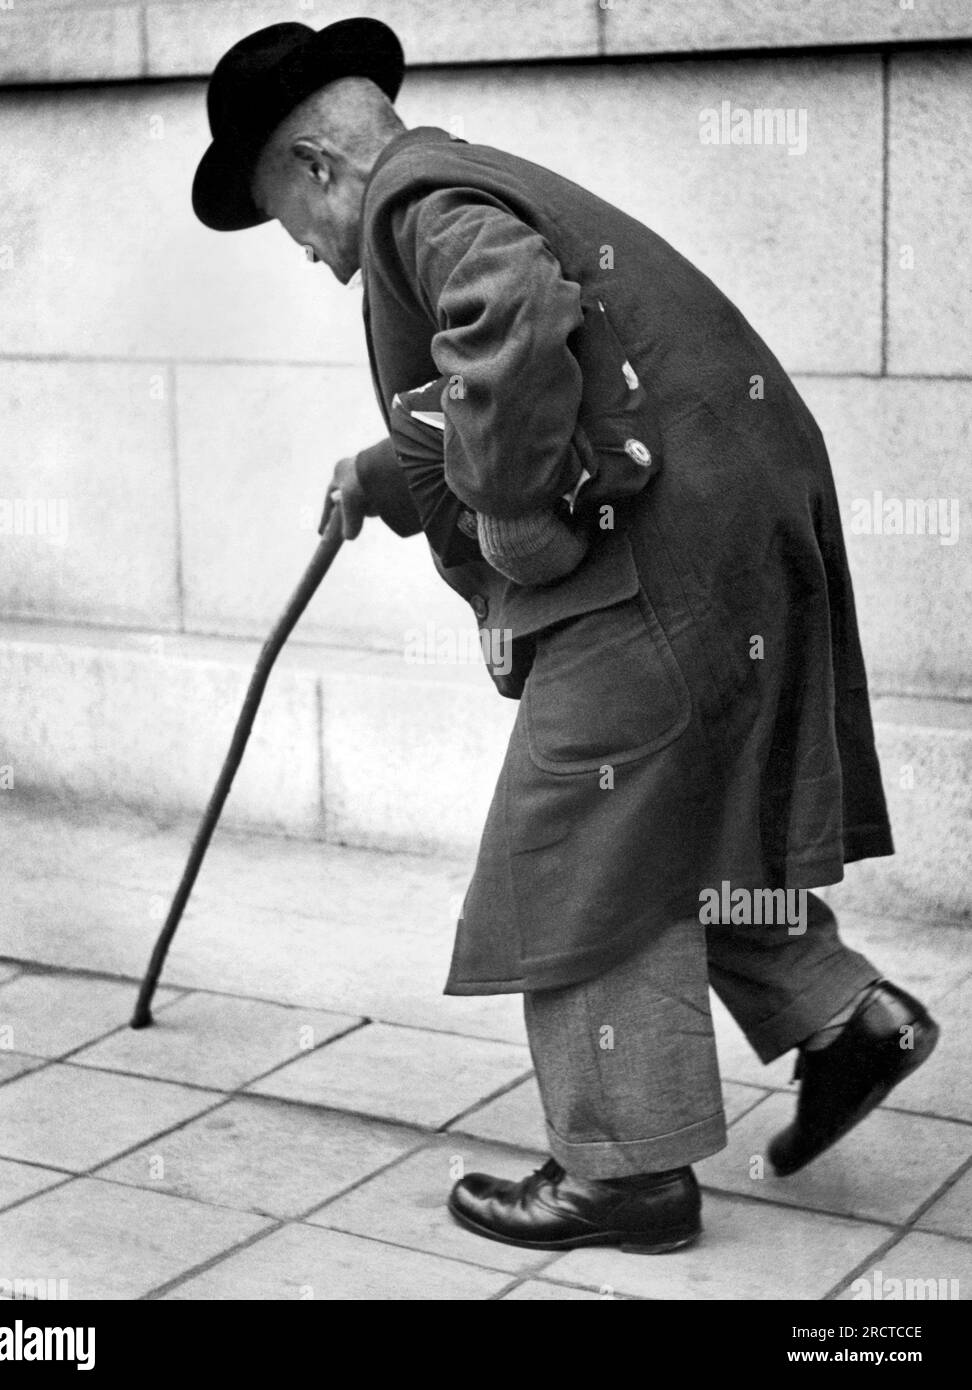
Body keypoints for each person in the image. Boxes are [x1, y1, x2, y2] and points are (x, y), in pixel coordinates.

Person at [191, 19, 939, 1253]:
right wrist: (387, 472)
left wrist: (512, 514)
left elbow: (508, 316)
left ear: (320, 169)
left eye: (293, 226)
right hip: (730, 512)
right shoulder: (468, 173)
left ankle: (625, 1172)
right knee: (666, 808)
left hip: (666, 550)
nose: (317, 261)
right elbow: (532, 373)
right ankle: (839, 1016)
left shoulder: (411, 202)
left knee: (571, 843)